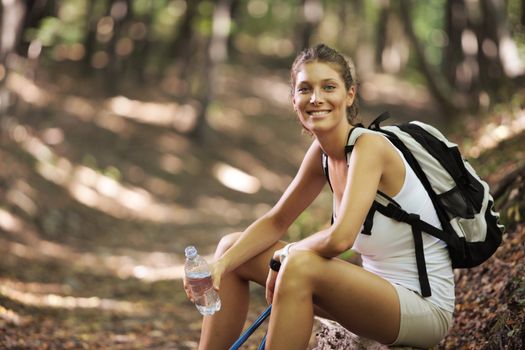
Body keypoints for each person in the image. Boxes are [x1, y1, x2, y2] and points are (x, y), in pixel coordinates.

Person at [184, 43, 455, 349]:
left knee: (299, 265)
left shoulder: (369, 147)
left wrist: (286, 254)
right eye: (305, 89)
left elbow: (340, 239)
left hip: (422, 307)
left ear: (349, 94)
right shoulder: (322, 154)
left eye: (329, 87)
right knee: (232, 248)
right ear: (293, 99)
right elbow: (276, 220)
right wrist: (220, 266)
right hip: (374, 295)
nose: (316, 98)